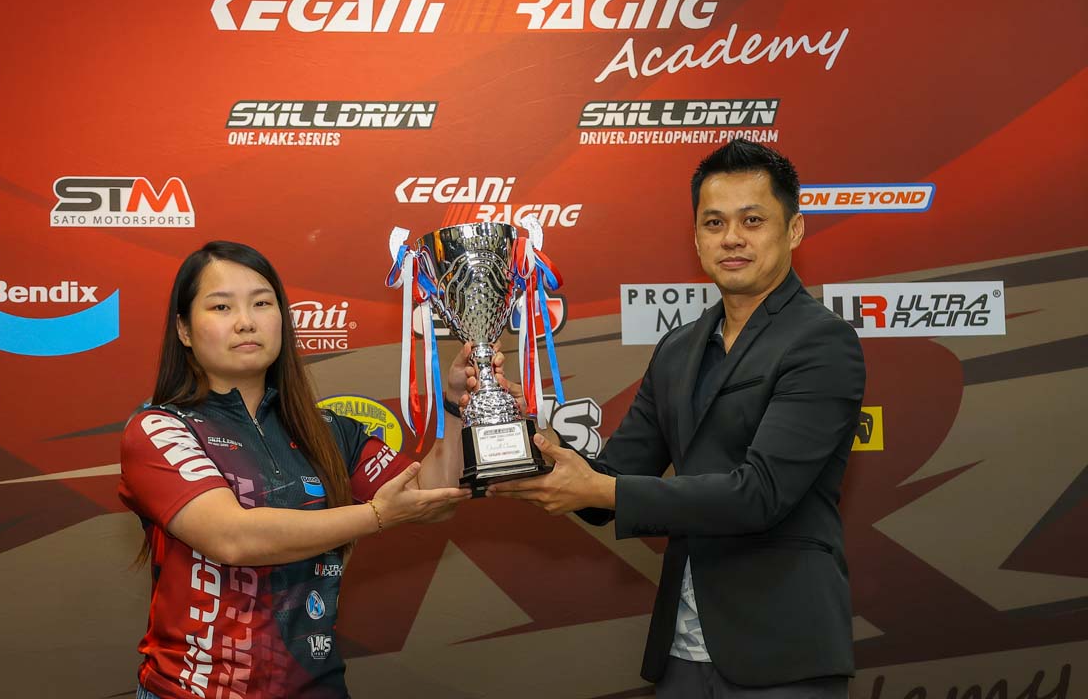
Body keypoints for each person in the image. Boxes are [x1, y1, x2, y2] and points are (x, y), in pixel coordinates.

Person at [490, 139, 867, 696]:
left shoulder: (822, 342)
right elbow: (610, 481)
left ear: (794, 230)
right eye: (714, 223)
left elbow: (760, 495)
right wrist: (523, 427)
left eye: (752, 220)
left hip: (782, 653)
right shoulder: (678, 349)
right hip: (681, 655)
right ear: (695, 238)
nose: (731, 237)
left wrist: (601, 490)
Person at [119, 240, 480, 699]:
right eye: (221, 306)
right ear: (184, 330)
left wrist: (455, 407)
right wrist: (375, 516)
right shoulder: (160, 427)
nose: (246, 321)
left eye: (261, 303)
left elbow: (431, 498)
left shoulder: (328, 429)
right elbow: (231, 537)